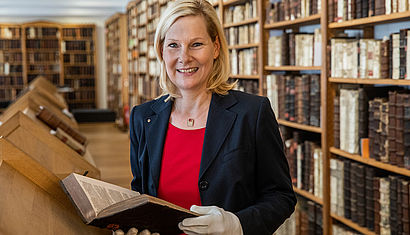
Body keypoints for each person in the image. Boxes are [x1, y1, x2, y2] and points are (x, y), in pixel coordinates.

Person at [118, 0, 296, 234]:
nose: (184, 57)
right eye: (173, 45)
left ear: (215, 48)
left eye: (196, 44)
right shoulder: (143, 118)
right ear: (161, 51)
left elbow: (280, 196)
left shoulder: (252, 113)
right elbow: (142, 195)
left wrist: (237, 225)